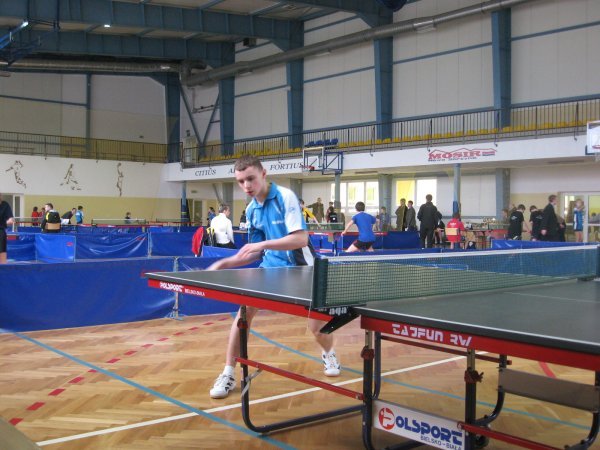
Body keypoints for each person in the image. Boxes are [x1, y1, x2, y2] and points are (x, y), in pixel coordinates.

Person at [207, 156, 339, 399]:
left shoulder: (285, 197)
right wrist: (226, 262)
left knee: (317, 328)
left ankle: (329, 354)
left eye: (250, 178)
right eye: (241, 181)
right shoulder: (252, 210)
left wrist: (264, 244)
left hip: (303, 269)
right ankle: (228, 372)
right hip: (271, 269)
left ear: (263, 174)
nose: (246, 185)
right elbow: (254, 251)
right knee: (243, 314)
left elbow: (300, 239)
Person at [0, 193, 15, 264]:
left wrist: (6, 222)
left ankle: (3, 267)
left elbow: (11, 220)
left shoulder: (5, 205)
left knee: (2, 252)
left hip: (1, 232)